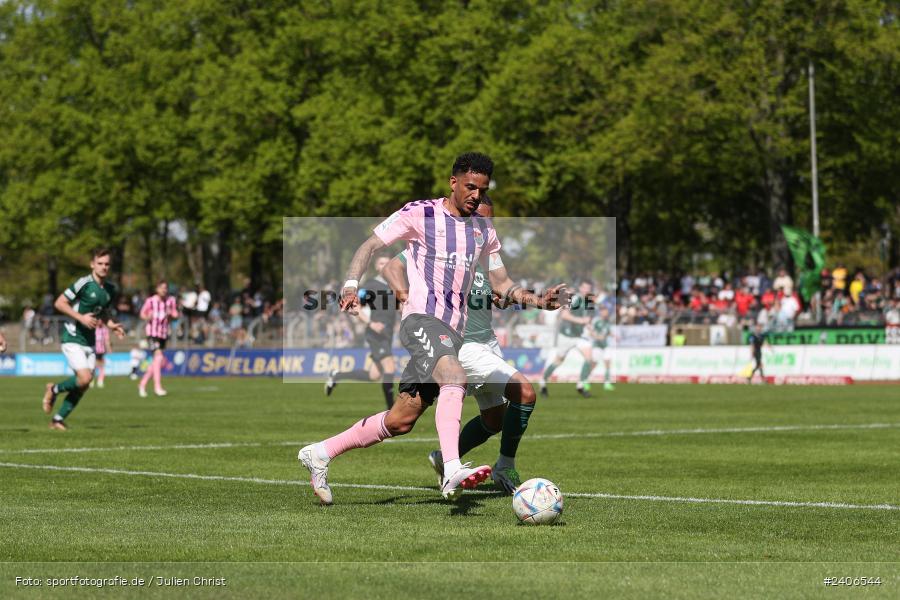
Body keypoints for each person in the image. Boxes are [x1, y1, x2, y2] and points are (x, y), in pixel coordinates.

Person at [297, 152, 564, 504]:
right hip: (421, 321)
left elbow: (502, 283)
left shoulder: (484, 230)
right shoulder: (420, 213)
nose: (475, 196)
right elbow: (372, 244)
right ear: (453, 183)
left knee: (401, 420)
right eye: (470, 187)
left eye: (482, 191)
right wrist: (350, 284)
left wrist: (538, 301)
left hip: (451, 334)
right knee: (455, 374)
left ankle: (320, 453)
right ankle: (451, 469)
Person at [381, 197, 540, 494]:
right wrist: (406, 296)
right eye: (478, 217)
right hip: (462, 345)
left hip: (487, 342)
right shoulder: (442, 247)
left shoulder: (486, 252)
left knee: (494, 419)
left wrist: (508, 297)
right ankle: (505, 467)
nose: (482, 224)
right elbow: (392, 266)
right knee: (525, 392)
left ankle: (444, 460)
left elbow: (500, 289)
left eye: (488, 219)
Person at [41, 248, 125, 431]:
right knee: (85, 378)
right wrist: (81, 318)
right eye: (100, 263)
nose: (103, 267)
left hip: (90, 341)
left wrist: (111, 325)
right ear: (92, 264)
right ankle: (53, 389)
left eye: (107, 264)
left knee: (83, 385)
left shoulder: (110, 289)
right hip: (72, 337)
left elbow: (103, 312)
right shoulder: (84, 283)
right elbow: (59, 303)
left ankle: (57, 419)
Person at [324, 254, 399, 409]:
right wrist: (371, 324)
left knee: (374, 375)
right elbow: (354, 305)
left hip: (387, 332)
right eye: (381, 263)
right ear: (376, 267)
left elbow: (397, 307)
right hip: (376, 333)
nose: (384, 265)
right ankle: (391, 410)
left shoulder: (394, 284)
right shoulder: (371, 285)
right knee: (390, 367)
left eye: (387, 262)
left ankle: (337, 375)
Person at [539, 279, 596, 397]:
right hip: (566, 335)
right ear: (580, 288)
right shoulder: (575, 298)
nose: (587, 290)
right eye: (585, 287)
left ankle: (580, 385)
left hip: (579, 336)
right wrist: (581, 321)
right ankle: (543, 381)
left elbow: (588, 319)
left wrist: (589, 326)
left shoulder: (589, 302)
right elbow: (564, 315)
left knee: (589, 358)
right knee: (559, 361)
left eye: (589, 288)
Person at [138, 280, 179, 397]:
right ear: (157, 289)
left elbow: (175, 315)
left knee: (157, 361)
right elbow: (142, 314)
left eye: (165, 288)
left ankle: (142, 383)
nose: (164, 290)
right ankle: (157, 387)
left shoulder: (170, 301)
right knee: (159, 357)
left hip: (163, 334)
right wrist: (147, 316)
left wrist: (172, 315)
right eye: (161, 288)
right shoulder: (150, 301)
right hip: (152, 333)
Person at [587, 306, 615, 392]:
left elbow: (608, 332)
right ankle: (585, 380)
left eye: (607, 311)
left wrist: (614, 335)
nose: (606, 313)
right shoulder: (596, 321)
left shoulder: (608, 321)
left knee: (608, 362)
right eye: (604, 311)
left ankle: (607, 383)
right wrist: (597, 337)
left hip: (605, 345)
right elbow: (590, 332)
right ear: (601, 312)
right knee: (594, 364)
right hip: (597, 345)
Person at [92, 322, 109, 388]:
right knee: (93, 366)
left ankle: (100, 381)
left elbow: (106, 340)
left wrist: (108, 348)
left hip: (101, 351)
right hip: (94, 350)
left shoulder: (104, 330)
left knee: (101, 366)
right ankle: (91, 380)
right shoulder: (93, 329)